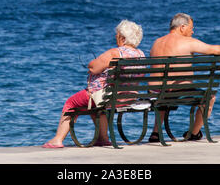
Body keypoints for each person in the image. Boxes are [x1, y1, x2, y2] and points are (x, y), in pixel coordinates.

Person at [42, 19, 145, 148]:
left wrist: (92, 63)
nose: (115, 37)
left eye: (117, 35)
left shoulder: (115, 53)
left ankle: (57, 139)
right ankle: (102, 138)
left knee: (71, 103)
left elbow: (93, 68)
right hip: (128, 97)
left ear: (123, 38)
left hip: (107, 97)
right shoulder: (141, 55)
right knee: (95, 103)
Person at [148, 13, 220, 142]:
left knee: (164, 94)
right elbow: (215, 50)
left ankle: (155, 133)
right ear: (182, 27)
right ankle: (194, 133)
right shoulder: (187, 42)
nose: (192, 31)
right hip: (175, 90)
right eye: (191, 28)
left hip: (154, 91)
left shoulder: (156, 42)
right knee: (209, 97)